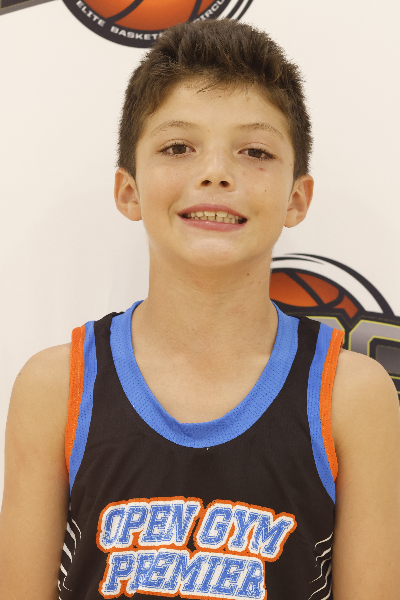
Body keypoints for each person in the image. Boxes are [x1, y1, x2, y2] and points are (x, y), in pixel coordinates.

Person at [0, 18, 399, 600]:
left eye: (255, 151)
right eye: (178, 147)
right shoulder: (56, 387)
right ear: (129, 190)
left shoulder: (352, 397)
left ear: (296, 198)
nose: (215, 172)